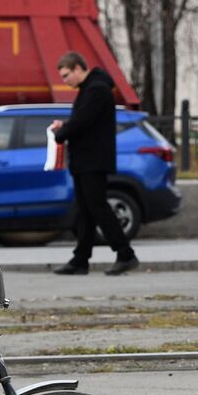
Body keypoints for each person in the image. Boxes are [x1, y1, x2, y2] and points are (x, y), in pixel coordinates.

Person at [50, 51, 140, 276]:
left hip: (93, 160)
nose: (65, 80)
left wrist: (62, 133)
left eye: (66, 75)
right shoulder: (91, 88)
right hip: (86, 160)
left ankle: (125, 253)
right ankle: (80, 260)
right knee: (86, 210)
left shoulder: (97, 89)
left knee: (97, 207)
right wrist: (66, 127)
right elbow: (84, 121)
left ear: (79, 68)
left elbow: (83, 121)